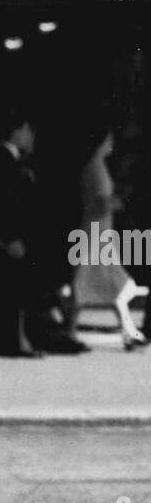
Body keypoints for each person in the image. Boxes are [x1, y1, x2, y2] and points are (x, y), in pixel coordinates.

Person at [71, 128, 148, 351]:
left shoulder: (95, 167)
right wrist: (116, 202)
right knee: (103, 284)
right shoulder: (95, 169)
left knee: (105, 285)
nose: (111, 143)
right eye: (108, 139)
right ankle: (125, 331)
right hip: (96, 233)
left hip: (98, 232)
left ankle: (127, 331)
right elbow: (97, 204)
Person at [0, 112, 44, 357]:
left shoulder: (4, 157)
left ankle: (16, 341)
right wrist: (7, 238)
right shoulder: (3, 159)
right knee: (11, 292)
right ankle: (16, 343)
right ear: (16, 131)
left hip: (8, 239)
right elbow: (0, 204)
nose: (32, 136)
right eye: (29, 130)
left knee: (10, 292)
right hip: (8, 240)